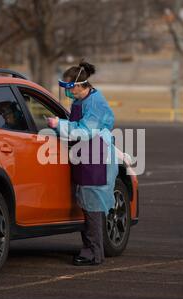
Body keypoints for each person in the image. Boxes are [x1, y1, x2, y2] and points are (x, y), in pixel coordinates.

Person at [47, 60, 118, 266]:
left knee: (93, 206)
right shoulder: (80, 100)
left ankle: (94, 254)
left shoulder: (94, 103)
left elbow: (85, 131)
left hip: (95, 157)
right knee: (87, 205)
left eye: (69, 88)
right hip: (85, 155)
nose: (67, 92)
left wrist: (58, 124)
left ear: (80, 85)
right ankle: (91, 250)